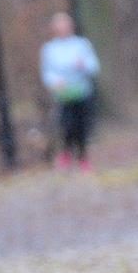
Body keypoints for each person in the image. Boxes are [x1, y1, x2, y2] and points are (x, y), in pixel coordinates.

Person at [40, 12, 101, 171]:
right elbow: (47, 72)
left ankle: (83, 157)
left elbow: (94, 67)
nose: (63, 29)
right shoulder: (50, 49)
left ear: (71, 27)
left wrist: (83, 65)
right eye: (59, 26)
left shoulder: (81, 45)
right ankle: (66, 152)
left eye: (65, 26)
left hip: (82, 91)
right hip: (63, 94)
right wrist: (55, 82)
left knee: (82, 126)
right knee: (67, 125)